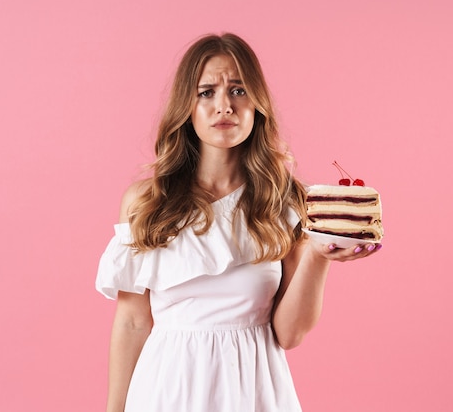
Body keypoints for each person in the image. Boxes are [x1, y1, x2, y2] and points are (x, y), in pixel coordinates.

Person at [96, 32, 381, 412]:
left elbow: (290, 333)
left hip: (256, 392)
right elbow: (132, 323)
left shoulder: (287, 201)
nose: (224, 106)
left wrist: (317, 254)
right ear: (187, 106)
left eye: (238, 90)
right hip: (166, 391)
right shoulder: (147, 202)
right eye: (206, 92)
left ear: (257, 105)